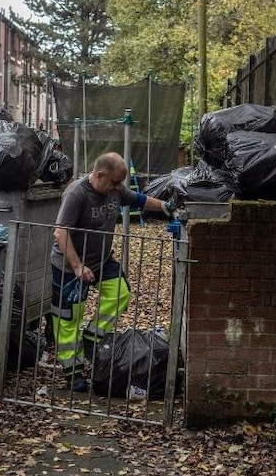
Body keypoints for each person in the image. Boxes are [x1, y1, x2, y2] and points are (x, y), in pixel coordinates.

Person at [50, 152, 178, 391]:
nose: (118, 188)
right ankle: (74, 372)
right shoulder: (76, 193)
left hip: (101, 261)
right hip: (69, 266)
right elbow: (60, 232)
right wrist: (77, 267)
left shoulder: (115, 190)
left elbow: (139, 200)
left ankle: (93, 334)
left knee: (120, 292)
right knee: (68, 320)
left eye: (120, 183)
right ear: (99, 174)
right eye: (115, 182)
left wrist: (165, 206)